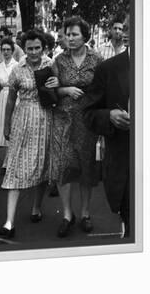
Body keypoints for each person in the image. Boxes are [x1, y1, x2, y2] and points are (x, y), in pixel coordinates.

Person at [0, 29, 59, 239]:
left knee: (41, 164)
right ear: (23, 49)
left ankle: (36, 207)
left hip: (45, 120)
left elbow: (58, 93)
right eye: (30, 48)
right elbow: (11, 99)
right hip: (22, 120)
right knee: (15, 166)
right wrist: (6, 125)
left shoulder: (51, 65)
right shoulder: (17, 69)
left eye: (37, 48)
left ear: (43, 48)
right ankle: (9, 222)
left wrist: (58, 85)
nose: (33, 52)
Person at [49, 16, 103, 237]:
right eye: (67, 34)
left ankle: (85, 213)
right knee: (64, 166)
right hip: (63, 119)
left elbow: (102, 90)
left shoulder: (96, 59)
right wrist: (65, 90)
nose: (69, 38)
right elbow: (50, 90)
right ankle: (67, 215)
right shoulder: (59, 61)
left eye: (74, 34)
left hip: (87, 120)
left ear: (85, 36)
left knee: (86, 166)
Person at [84, 15, 131, 238]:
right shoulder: (108, 69)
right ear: (128, 33)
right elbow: (88, 114)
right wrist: (109, 116)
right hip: (127, 166)